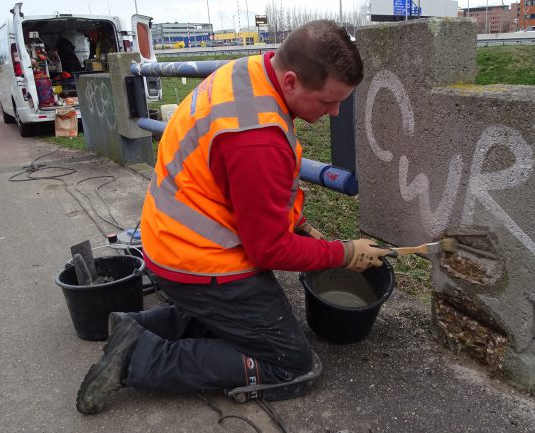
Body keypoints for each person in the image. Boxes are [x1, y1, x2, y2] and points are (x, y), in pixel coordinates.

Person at [75, 20, 391, 415]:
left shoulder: (249, 72)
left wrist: (301, 225)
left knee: (247, 323)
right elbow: (268, 250)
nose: (335, 111)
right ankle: (139, 358)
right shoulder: (257, 137)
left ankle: (140, 326)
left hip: (171, 237)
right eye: (328, 101)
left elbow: (249, 191)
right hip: (200, 260)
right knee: (291, 363)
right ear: (291, 80)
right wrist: (342, 253)